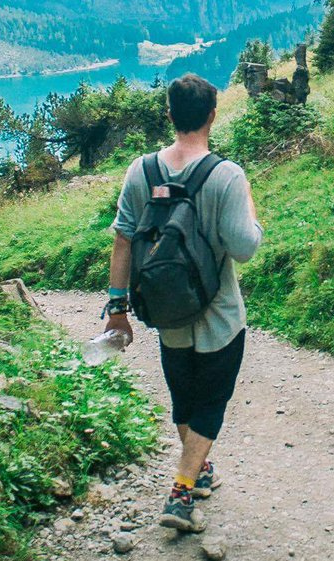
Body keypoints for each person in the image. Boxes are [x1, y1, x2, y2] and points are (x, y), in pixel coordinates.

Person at [103, 73, 263, 533]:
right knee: (211, 401)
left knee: (183, 397)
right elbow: (244, 248)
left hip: (166, 312)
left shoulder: (141, 170)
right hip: (220, 316)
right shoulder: (226, 175)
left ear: (169, 115)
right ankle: (180, 492)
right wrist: (249, 206)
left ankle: (199, 471)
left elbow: (123, 241)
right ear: (213, 115)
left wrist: (117, 309)